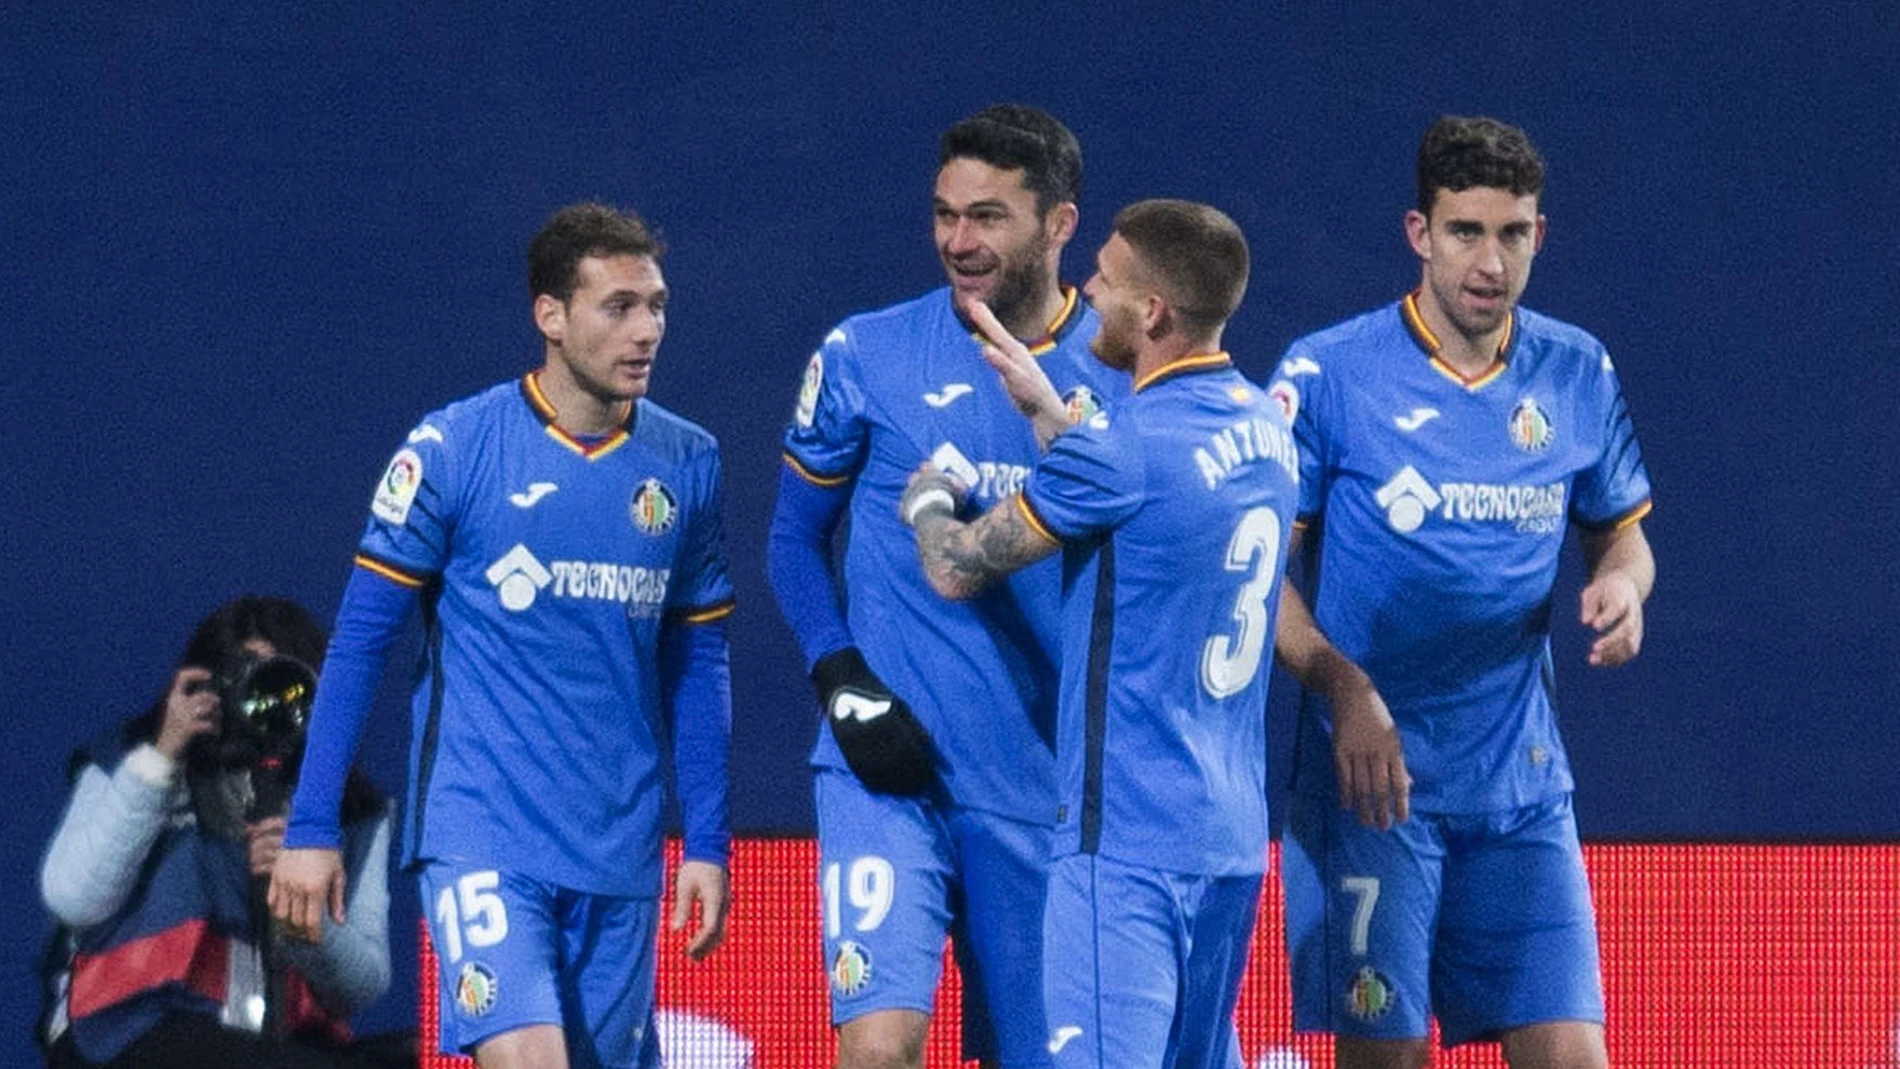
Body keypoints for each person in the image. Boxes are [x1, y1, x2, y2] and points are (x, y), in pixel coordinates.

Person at [270, 203, 735, 1069]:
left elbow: (697, 658)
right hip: (483, 829)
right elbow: (360, 643)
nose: (647, 331)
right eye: (619, 307)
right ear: (550, 316)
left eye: (658, 305)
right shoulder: (453, 449)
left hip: (619, 847)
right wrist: (311, 826)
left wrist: (705, 840)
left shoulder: (689, 462)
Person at [1268, 116, 1655, 1069]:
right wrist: (1342, 687)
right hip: (1372, 793)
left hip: (1522, 793)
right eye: (1466, 232)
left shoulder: (1576, 369)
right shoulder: (1329, 374)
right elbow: (1256, 579)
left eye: (1513, 233)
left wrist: (1622, 585)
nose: (1491, 261)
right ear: (1419, 233)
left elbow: (1623, 532)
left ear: (1540, 234)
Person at [766, 104, 1124, 1069]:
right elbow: (793, 544)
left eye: (989, 218)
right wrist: (841, 679)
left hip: (1042, 793)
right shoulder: (864, 355)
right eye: (944, 214)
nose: (958, 242)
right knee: (878, 1048)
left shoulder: (1124, 378)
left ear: (1059, 224)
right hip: (888, 777)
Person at [900, 198, 1293, 1069]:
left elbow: (957, 566)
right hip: (1228, 843)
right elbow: (1146, 498)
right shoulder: (1267, 426)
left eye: (1108, 279)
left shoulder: (1123, 449)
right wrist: (1050, 413)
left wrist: (926, 499)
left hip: (1124, 849)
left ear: (1152, 313)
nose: (1086, 288)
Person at [39, 596, 397, 1069]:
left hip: (273, 1043)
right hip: (129, 1029)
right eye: (246, 677)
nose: (262, 702)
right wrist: (161, 759)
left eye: (283, 684)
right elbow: (73, 899)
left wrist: (303, 907)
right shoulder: (127, 765)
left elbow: (361, 985)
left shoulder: (352, 814)